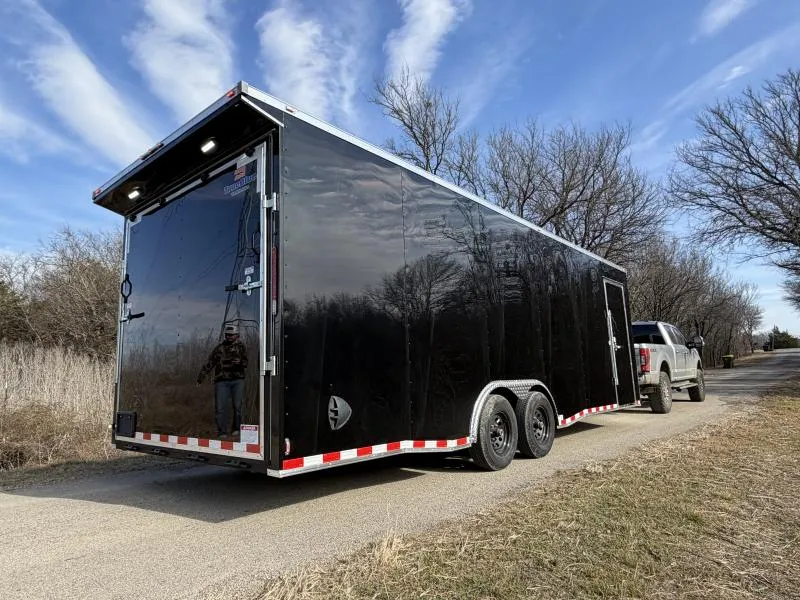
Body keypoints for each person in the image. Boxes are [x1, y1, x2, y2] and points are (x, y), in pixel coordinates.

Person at [197, 324, 248, 440]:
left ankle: (236, 428)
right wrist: (201, 377)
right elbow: (209, 363)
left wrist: (238, 362)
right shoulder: (219, 348)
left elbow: (245, 363)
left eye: (232, 335)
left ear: (237, 336)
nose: (229, 337)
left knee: (237, 406)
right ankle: (222, 432)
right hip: (222, 381)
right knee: (220, 408)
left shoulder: (241, 347)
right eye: (227, 335)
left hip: (237, 380)